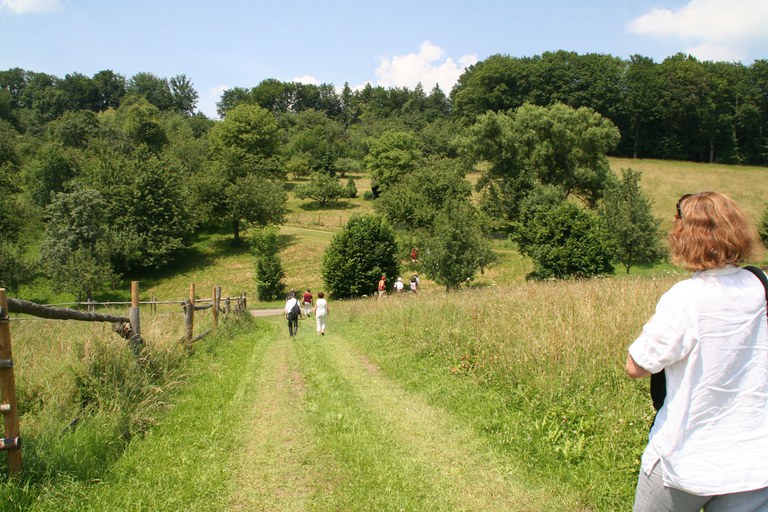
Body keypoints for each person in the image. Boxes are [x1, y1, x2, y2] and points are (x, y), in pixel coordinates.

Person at [625, 192, 768, 512]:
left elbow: (636, 365)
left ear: (684, 238)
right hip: (754, 463)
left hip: (685, 458)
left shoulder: (686, 298)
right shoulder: (761, 285)